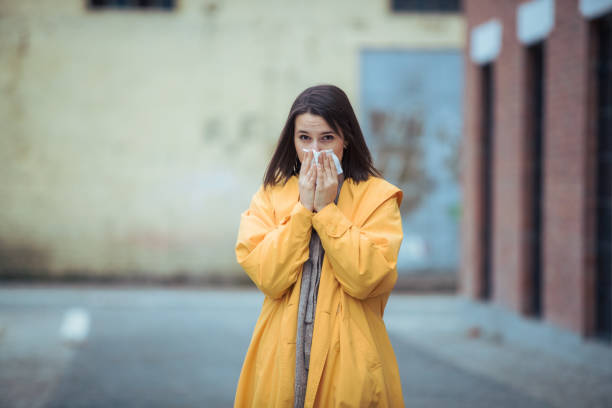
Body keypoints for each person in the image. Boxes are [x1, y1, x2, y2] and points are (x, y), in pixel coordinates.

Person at [234, 84, 405, 407]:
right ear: (293, 140)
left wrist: (326, 211)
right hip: (278, 360)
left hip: (351, 363)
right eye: (304, 138)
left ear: (346, 139)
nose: (315, 150)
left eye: (327, 138)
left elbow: (367, 279)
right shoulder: (271, 195)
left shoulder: (378, 198)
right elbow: (268, 278)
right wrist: (302, 211)